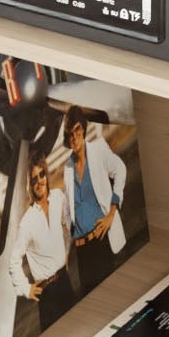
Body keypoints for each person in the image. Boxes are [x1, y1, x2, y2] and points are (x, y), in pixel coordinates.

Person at [63, 114, 129, 297]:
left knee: (115, 296)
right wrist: (67, 250)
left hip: (102, 241)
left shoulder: (98, 149)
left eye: (77, 130)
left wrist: (112, 214)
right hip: (83, 252)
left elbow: (120, 170)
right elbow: (68, 214)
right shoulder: (67, 170)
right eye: (69, 134)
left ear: (83, 129)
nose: (74, 136)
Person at [2, 153, 72, 326]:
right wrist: (26, 289)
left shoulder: (58, 197)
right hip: (47, 293)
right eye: (33, 179)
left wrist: (67, 254)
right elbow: (13, 262)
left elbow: (69, 224)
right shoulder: (27, 222)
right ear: (29, 186)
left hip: (65, 282)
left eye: (41, 175)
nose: (39, 181)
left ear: (46, 175)